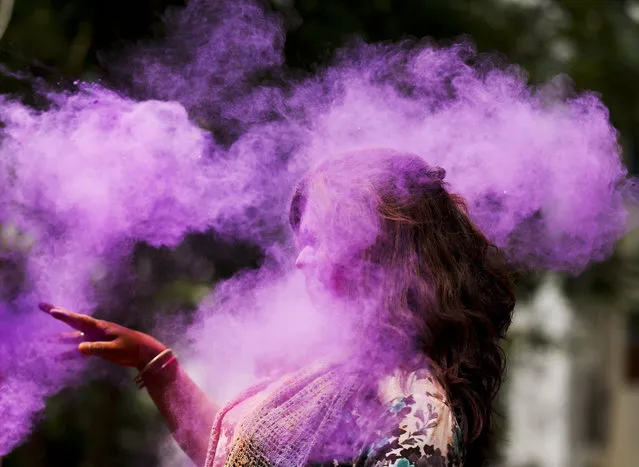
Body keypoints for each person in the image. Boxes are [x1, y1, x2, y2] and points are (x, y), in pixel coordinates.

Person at [41, 148, 515, 467]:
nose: (299, 259)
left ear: (375, 252)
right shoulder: (338, 368)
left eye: (316, 241)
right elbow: (237, 455)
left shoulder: (413, 407)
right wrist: (155, 363)